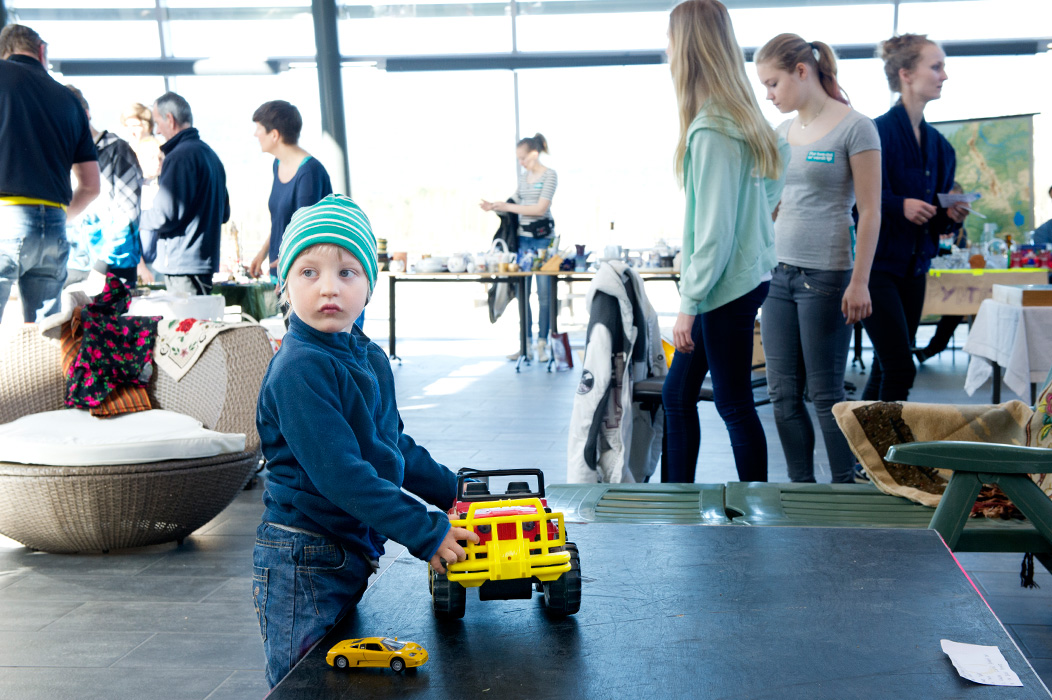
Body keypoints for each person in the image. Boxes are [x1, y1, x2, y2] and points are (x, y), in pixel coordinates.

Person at [253, 193, 478, 687]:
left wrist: (458, 492)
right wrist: (426, 531)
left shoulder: (367, 356)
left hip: (347, 547)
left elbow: (393, 446)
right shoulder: (299, 369)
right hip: (302, 557)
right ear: (285, 286)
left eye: (347, 272)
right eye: (308, 272)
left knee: (344, 680)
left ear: (369, 287)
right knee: (304, 684)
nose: (328, 287)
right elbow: (342, 476)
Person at [661, 0, 789, 484]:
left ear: (688, 48)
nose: (667, 49)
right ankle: (677, 501)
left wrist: (687, 304)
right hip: (744, 276)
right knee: (679, 395)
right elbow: (780, 161)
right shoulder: (741, 117)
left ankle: (754, 507)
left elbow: (712, 234)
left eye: (671, 40)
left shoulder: (712, 129)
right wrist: (755, 216)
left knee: (732, 403)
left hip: (724, 286)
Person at [753, 34, 881, 484]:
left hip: (827, 276)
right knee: (782, 394)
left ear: (801, 71)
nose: (769, 95)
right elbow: (771, 204)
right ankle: (801, 491)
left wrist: (859, 282)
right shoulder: (780, 133)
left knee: (825, 394)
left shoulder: (857, 127)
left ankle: (843, 490)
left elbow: (870, 212)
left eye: (773, 84)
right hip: (777, 276)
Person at [863, 34, 968, 400]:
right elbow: (856, 201)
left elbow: (937, 223)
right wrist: (899, 205)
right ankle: (887, 439)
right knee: (899, 366)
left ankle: (860, 436)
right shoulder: (874, 133)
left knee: (885, 366)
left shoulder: (942, 147)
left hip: (914, 270)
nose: (944, 75)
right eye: (936, 67)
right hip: (875, 267)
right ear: (905, 74)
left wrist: (952, 216)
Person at [0, 24, 100, 323]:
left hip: (7, 217)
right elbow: (91, 185)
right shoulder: (69, 99)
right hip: (55, 226)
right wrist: (58, 218)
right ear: (41, 51)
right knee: (45, 333)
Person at [140, 92, 230, 296]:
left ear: (170, 119)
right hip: (204, 262)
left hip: (182, 265)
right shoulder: (211, 156)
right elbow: (224, 214)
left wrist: (136, 219)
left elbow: (164, 215)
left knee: (186, 317)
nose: (157, 131)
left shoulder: (178, 157)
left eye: (157, 123)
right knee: (201, 316)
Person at [480, 133, 557, 362]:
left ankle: (542, 344)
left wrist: (509, 207)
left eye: (523, 158)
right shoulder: (524, 178)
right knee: (523, 294)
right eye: (519, 159)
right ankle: (526, 345)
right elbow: (514, 201)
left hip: (543, 242)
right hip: (523, 242)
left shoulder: (550, 175)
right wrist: (496, 205)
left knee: (544, 295)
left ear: (534, 153)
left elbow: (540, 208)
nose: (521, 162)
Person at [65, 85, 143, 290]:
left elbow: (128, 216)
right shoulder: (62, 155)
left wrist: (102, 266)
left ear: (85, 115)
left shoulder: (117, 151)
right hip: (73, 267)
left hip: (112, 268)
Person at [247, 100, 333, 284]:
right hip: (280, 272)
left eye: (259, 128)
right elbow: (281, 220)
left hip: (301, 276)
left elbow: (307, 231)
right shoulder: (277, 164)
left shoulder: (309, 172)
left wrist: (290, 267)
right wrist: (262, 254)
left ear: (274, 135)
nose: (255, 134)